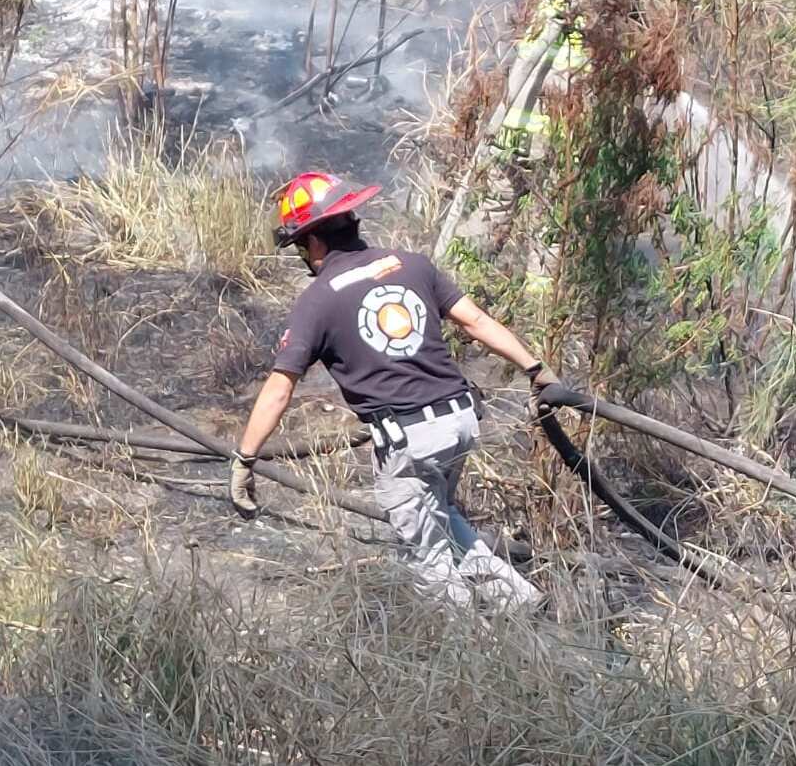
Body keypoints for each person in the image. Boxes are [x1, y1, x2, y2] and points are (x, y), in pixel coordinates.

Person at [230, 171, 562, 612]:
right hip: (460, 422)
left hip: (411, 440)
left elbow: (278, 390)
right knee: (441, 518)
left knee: (426, 557)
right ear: (352, 221)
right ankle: (518, 602)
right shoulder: (413, 264)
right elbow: (476, 322)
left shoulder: (318, 299)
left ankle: (471, 651)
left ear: (312, 243)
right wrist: (536, 369)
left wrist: (245, 458)